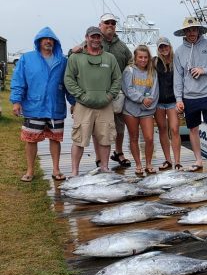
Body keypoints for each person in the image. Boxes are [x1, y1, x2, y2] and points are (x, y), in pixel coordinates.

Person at [10, 27, 74, 182]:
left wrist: (73, 102)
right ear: (38, 42)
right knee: (31, 139)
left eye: (51, 39)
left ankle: (56, 169)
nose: (48, 41)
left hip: (55, 107)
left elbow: (69, 83)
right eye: (45, 39)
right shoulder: (27, 59)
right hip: (34, 107)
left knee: (55, 139)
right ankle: (30, 170)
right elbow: (19, 81)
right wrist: (17, 101)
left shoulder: (63, 61)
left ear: (55, 42)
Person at [72, 13, 133, 168]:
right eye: (107, 23)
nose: (110, 25)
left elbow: (131, 64)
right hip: (93, 96)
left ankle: (118, 153)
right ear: (100, 25)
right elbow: (75, 56)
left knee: (117, 128)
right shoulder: (93, 41)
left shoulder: (122, 46)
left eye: (113, 23)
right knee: (96, 129)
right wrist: (71, 51)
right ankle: (99, 158)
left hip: (115, 94)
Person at [173, 17, 207, 174]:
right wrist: (178, 99)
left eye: (194, 29)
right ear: (184, 32)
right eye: (189, 30)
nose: (192, 32)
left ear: (199, 30)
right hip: (189, 97)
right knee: (193, 129)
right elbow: (178, 78)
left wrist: (203, 70)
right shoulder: (178, 52)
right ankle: (198, 160)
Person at [64, 26, 122, 176]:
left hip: (105, 105)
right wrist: (81, 96)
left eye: (98, 37)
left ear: (101, 38)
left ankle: (104, 167)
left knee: (106, 138)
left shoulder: (110, 58)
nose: (95, 39)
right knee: (79, 139)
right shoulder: (75, 57)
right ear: (86, 37)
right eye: (92, 37)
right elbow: (68, 79)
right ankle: (74, 171)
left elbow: (117, 79)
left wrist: (110, 96)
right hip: (83, 106)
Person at [122, 45, 159, 175]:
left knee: (149, 138)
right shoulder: (129, 70)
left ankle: (148, 163)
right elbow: (128, 89)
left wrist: (148, 102)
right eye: (140, 57)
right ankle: (138, 164)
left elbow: (154, 91)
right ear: (135, 58)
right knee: (134, 138)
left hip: (147, 109)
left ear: (149, 58)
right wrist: (142, 99)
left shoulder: (152, 72)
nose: (143, 60)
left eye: (145, 57)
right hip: (130, 110)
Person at [154, 37, 182, 171]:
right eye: (161, 47)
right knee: (162, 130)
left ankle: (177, 162)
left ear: (170, 46)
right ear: (158, 49)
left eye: (166, 46)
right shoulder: (155, 62)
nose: (164, 49)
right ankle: (168, 160)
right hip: (158, 102)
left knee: (175, 129)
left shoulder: (176, 60)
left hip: (172, 101)